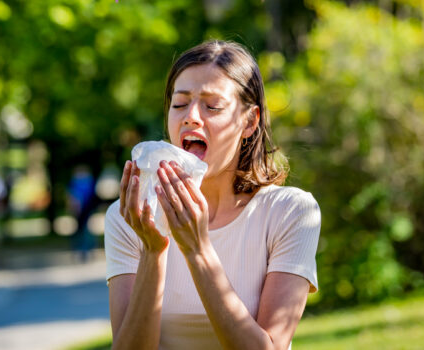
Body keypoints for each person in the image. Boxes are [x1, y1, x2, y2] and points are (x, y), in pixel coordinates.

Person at [105, 40, 321, 349]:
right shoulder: (130, 217)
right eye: (179, 104)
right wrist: (154, 251)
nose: (191, 116)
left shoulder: (290, 212)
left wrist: (198, 249)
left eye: (213, 106)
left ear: (250, 121)